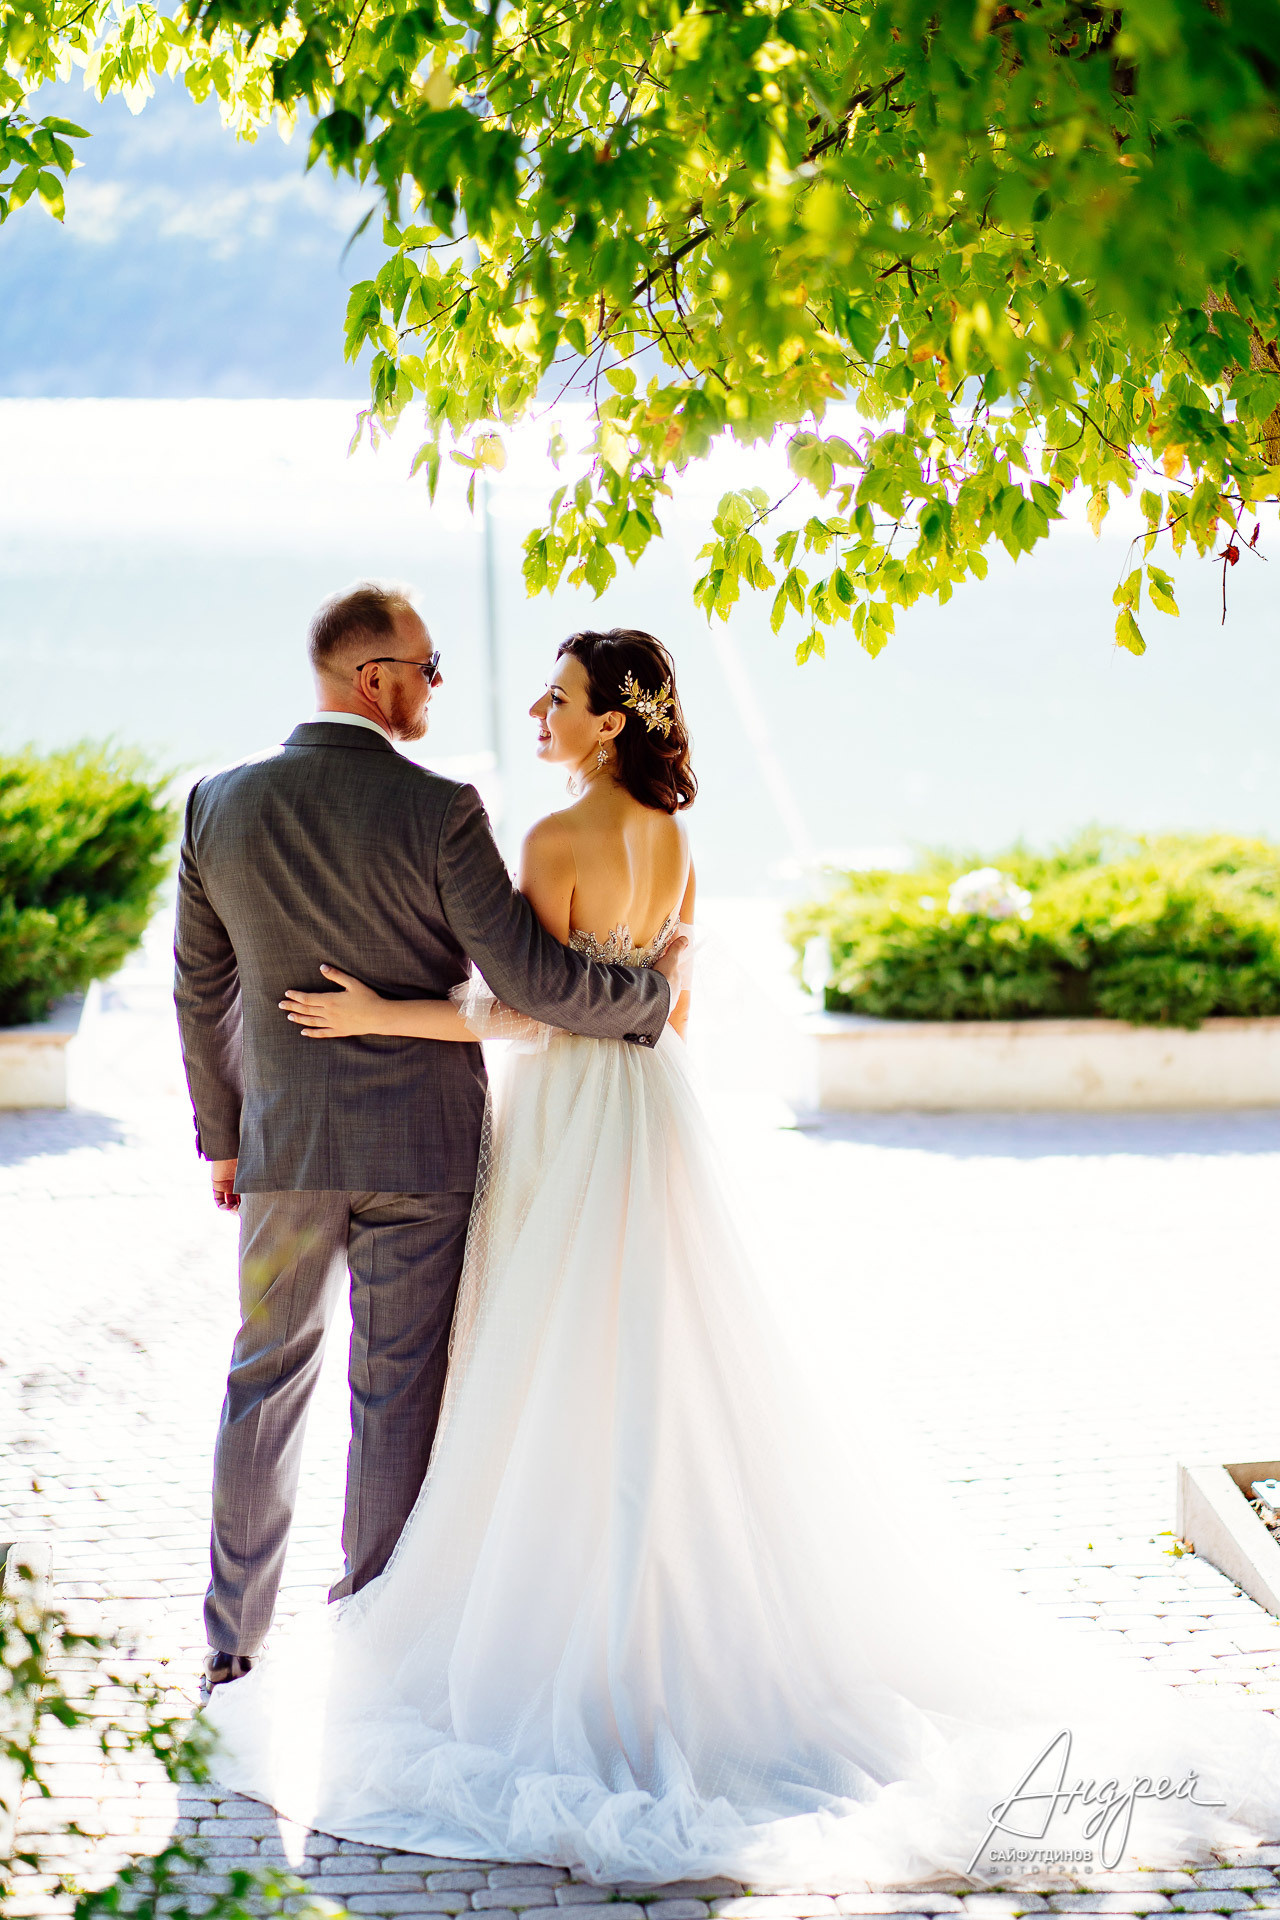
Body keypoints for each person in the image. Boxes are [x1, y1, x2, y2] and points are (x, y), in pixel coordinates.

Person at [205, 627, 1280, 1887]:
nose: (539, 716)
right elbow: (670, 1002)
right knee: (667, 1352)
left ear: (611, 722)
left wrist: (377, 1010)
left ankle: (559, 1613)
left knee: (553, 1352)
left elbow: (527, 1005)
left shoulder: (551, 841)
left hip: (566, 1125)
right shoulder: (672, 842)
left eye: (557, 702)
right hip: (654, 1118)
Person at [174, 586, 683, 1701]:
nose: (436, 685)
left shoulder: (214, 803)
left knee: (264, 1379)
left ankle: (232, 1643)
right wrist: (647, 1005)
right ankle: (370, 1631)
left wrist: (224, 1138)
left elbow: (199, 990)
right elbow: (535, 983)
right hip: (424, 1149)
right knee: (394, 1394)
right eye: (426, 666)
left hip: (287, 1147)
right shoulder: (445, 809)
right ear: (375, 680)